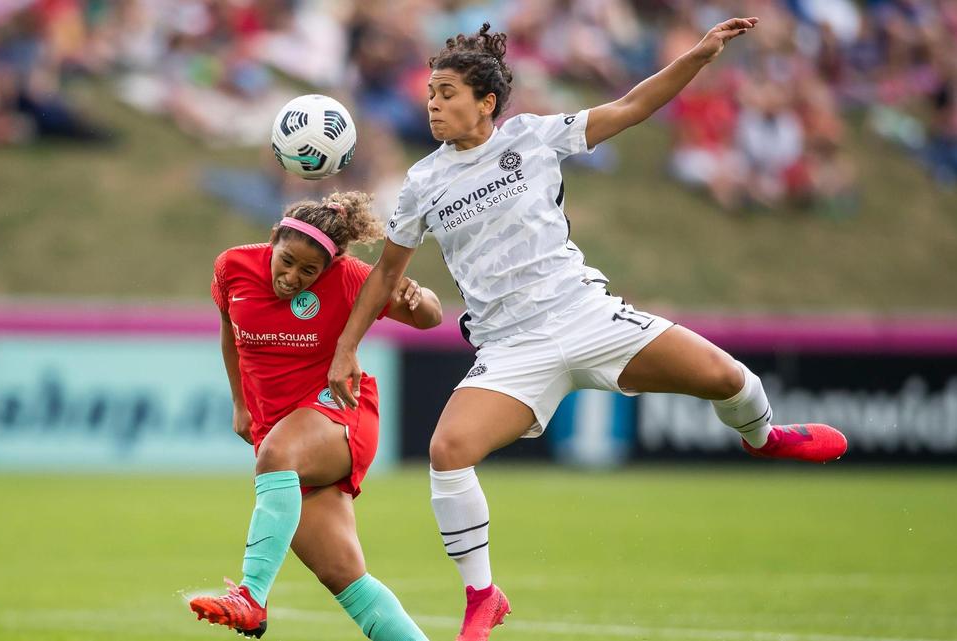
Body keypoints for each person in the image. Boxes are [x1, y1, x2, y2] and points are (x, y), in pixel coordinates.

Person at [326, 20, 849, 641]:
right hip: (512, 346)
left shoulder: (533, 137)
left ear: (486, 102)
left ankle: (762, 438)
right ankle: (483, 594)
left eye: (446, 93)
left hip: (586, 315)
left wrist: (698, 56)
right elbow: (386, 275)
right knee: (447, 452)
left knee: (730, 379)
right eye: (431, 94)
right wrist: (346, 347)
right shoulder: (422, 184)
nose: (432, 103)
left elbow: (631, 106)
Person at [189, 191, 443, 640]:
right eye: (286, 261)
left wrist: (416, 293)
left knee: (277, 453)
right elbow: (229, 330)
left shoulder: (349, 279)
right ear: (273, 239)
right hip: (280, 436)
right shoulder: (232, 266)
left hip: (338, 414)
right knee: (346, 580)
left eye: (309, 271)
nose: (292, 277)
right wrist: (240, 403)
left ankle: (250, 598)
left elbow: (431, 318)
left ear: (329, 268)